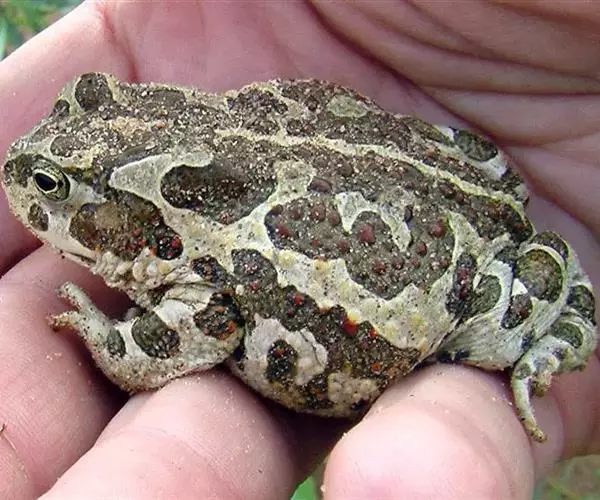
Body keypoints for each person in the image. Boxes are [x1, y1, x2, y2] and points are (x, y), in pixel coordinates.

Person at [1, 1, 598, 498]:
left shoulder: (197, 250)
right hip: (440, 166)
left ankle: (559, 327)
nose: (30, 188)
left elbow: (208, 320)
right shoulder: (196, 220)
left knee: (504, 326)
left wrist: (112, 341)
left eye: (53, 189)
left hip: (473, 269)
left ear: (134, 222)